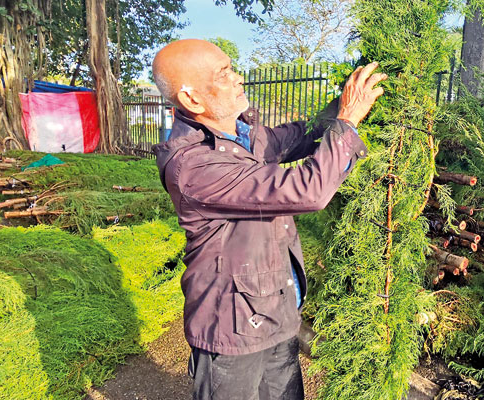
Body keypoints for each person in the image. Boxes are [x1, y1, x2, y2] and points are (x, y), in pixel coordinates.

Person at [150, 39, 386, 400]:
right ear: (192, 100)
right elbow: (308, 190)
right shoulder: (194, 165)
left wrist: (347, 100)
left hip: (277, 308)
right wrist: (348, 120)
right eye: (224, 74)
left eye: (232, 68)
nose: (238, 78)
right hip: (231, 327)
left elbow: (304, 136)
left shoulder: (243, 136)